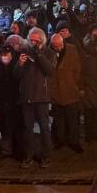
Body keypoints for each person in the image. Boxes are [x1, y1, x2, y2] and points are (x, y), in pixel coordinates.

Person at [18, 29, 58, 168]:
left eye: (36, 41)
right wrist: (20, 64)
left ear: (42, 40)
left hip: (41, 96)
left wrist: (39, 54)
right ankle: (28, 156)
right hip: (27, 96)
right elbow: (15, 75)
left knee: (44, 128)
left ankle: (46, 156)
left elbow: (50, 70)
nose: (33, 43)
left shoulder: (49, 53)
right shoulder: (24, 52)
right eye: (31, 40)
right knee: (27, 128)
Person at [50, 29, 83, 153]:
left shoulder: (71, 49)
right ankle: (60, 140)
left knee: (73, 119)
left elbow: (77, 68)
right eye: (56, 46)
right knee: (59, 119)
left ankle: (74, 142)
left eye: (60, 45)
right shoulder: (49, 52)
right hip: (55, 91)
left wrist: (75, 84)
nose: (59, 48)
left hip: (70, 89)